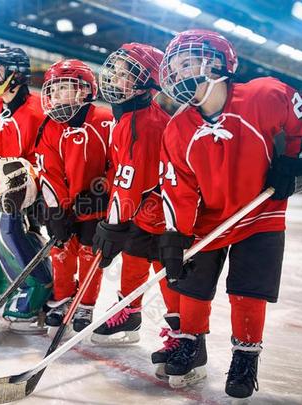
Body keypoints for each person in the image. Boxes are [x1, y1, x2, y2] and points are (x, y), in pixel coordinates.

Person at [157, 29, 302, 397]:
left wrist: (295, 163)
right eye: (175, 65)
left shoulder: (263, 95)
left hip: (260, 210)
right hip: (210, 217)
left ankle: (245, 358)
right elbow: (177, 187)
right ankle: (190, 343)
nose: (177, 72)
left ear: (215, 63)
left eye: (186, 62)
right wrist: (175, 234)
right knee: (191, 282)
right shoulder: (177, 128)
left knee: (248, 289)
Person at [89, 44, 181, 366]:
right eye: (116, 69)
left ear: (147, 83)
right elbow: (122, 173)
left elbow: (134, 184)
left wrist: (113, 224)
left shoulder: (144, 124)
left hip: (164, 214)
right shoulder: (129, 116)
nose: (115, 77)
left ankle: (182, 333)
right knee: (133, 256)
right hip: (145, 211)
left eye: (126, 73)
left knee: (166, 270)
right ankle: (129, 313)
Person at [0, 45, 52, 333]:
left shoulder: (38, 110)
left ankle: (36, 285)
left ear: (16, 74)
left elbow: (46, 156)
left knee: (5, 223)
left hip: (27, 188)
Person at [35, 59, 113, 332]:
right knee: (61, 250)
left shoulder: (104, 120)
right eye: (52, 89)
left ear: (83, 91)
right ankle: (64, 298)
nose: (54, 95)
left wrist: (103, 190)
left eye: (62, 88)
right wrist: (57, 210)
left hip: (96, 207)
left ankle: (85, 305)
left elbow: (119, 162)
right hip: (67, 206)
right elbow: (50, 172)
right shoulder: (49, 127)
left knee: (90, 255)